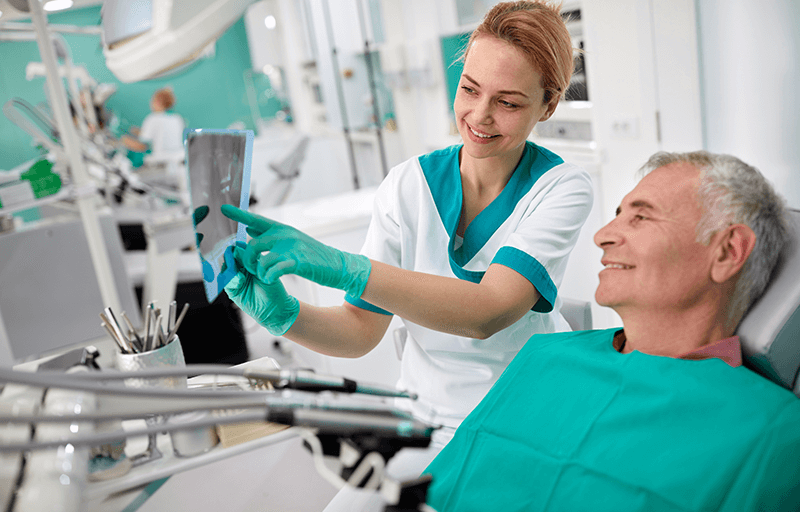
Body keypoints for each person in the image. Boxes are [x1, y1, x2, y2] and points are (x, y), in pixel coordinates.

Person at [222, 0, 593, 496]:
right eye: (469, 89)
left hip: (525, 418)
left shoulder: (561, 187)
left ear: (547, 106)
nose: (479, 116)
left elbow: (487, 311)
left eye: (508, 102)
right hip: (427, 422)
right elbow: (359, 332)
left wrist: (348, 269)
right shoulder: (408, 185)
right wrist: (285, 317)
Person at [422, 150, 800, 512]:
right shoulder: (544, 357)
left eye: (641, 218)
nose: (602, 236)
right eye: (618, 215)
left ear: (727, 252)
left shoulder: (771, 431)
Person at [121, 87, 185, 167]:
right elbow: (163, 135)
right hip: (179, 160)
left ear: (157, 102)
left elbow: (142, 146)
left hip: (161, 162)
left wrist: (124, 140)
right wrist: (139, 132)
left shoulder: (153, 118)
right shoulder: (177, 118)